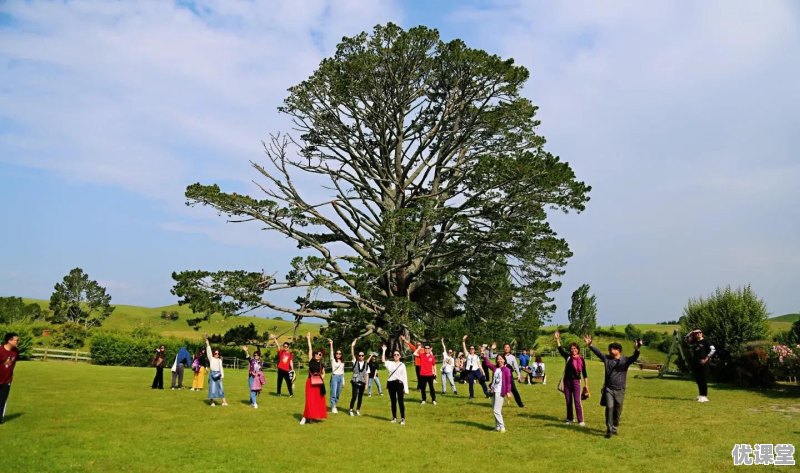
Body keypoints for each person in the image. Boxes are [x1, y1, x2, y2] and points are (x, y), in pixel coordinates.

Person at [586, 335, 641, 438]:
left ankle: (615, 426)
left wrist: (637, 348)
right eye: (610, 349)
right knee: (609, 408)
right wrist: (590, 345)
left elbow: (635, 357)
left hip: (620, 390)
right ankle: (609, 429)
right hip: (608, 389)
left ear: (619, 350)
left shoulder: (625, 361)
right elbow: (598, 353)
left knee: (617, 410)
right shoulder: (607, 359)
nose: (611, 350)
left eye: (613, 349)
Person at [555, 331, 589, 426]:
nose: (573, 350)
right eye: (571, 348)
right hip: (567, 382)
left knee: (577, 401)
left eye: (575, 348)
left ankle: (580, 420)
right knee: (568, 401)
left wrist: (586, 385)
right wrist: (557, 339)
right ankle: (570, 418)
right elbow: (560, 349)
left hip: (576, 382)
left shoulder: (581, 359)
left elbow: (585, 373)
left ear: (578, 349)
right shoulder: (568, 357)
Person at [300, 332, 327, 425]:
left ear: (321, 356)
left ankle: (311, 417)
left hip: (318, 384)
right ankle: (304, 417)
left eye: (320, 354)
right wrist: (308, 339)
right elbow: (310, 350)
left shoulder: (321, 364)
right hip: (310, 383)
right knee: (309, 400)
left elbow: (324, 373)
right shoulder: (311, 361)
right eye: (317, 353)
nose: (317, 355)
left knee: (315, 401)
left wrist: (320, 378)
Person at [482, 350, 512, 432]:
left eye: (501, 359)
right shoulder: (495, 368)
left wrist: (508, 392)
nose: (499, 360)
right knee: (494, 410)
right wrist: (484, 356)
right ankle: (497, 427)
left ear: (504, 360)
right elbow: (488, 364)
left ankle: (502, 427)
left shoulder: (506, 370)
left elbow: (509, 382)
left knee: (496, 410)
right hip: (493, 391)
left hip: (500, 391)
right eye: (498, 359)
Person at [381, 343, 409, 425]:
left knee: (400, 401)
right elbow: (383, 360)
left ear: (400, 356)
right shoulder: (390, 363)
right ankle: (394, 417)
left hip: (399, 384)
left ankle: (403, 418)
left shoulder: (402, 365)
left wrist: (406, 389)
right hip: (391, 383)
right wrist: (384, 350)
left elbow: (404, 377)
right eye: (394, 355)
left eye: (397, 355)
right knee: (393, 401)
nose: (396, 356)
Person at [686, 329, 716, 402]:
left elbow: (713, 350)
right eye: (696, 333)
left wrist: (706, 359)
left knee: (703, 379)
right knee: (698, 380)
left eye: (699, 332)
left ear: (702, 333)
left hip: (704, 363)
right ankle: (700, 395)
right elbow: (686, 339)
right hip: (696, 363)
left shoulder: (706, 341)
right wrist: (691, 332)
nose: (698, 334)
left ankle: (705, 396)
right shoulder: (695, 342)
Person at [0, 333, 20, 424]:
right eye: (16, 340)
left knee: (2, 400)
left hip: (7, 381)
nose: (18, 342)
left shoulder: (15, 351)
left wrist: (10, 376)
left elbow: (13, 364)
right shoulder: (0, 350)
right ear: (9, 340)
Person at [205, 337, 228, 407]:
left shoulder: (220, 360)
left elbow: (221, 368)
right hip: (212, 374)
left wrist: (222, 375)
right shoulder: (211, 358)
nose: (217, 354)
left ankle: (224, 402)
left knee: (221, 388)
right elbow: (208, 351)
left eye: (218, 353)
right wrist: (207, 344)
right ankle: (212, 402)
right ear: (213, 354)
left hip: (219, 374)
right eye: (215, 353)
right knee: (212, 388)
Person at [348, 340, 369, 416]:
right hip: (355, 381)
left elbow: (367, 374)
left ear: (364, 356)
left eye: (362, 355)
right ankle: (350, 409)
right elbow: (352, 354)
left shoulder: (366, 364)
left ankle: (358, 409)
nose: (361, 357)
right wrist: (352, 346)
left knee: (360, 397)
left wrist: (366, 384)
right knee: (354, 395)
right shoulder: (355, 361)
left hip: (363, 382)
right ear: (358, 356)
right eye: (359, 355)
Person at [327, 339, 345, 413]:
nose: (338, 354)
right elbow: (331, 353)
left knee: (338, 393)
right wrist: (331, 344)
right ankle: (333, 406)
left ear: (341, 355)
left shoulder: (342, 362)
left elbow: (343, 372)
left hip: (340, 377)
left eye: (339, 354)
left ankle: (334, 404)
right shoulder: (333, 360)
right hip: (334, 377)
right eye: (337, 353)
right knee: (333, 392)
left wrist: (343, 381)